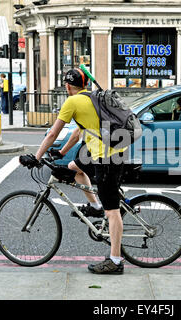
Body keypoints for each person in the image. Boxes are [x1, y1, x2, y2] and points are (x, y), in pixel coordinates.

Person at [31, 68, 126, 274]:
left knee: (112, 211)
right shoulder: (92, 98)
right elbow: (77, 132)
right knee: (74, 167)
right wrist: (61, 152)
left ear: (67, 86)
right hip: (106, 150)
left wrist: (36, 157)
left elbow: (52, 133)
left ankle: (115, 261)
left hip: (106, 156)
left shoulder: (72, 102)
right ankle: (94, 205)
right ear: (84, 84)